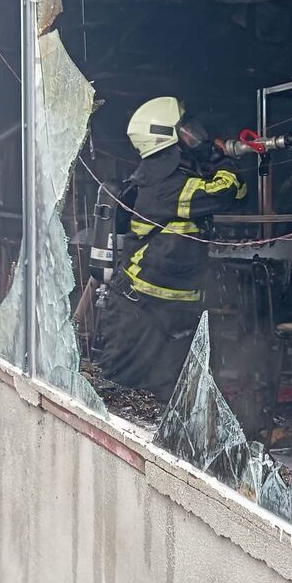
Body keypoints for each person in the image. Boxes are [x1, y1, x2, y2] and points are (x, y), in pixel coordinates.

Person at [95, 96, 247, 402]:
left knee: (169, 399)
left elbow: (240, 193)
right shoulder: (164, 185)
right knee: (118, 398)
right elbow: (227, 192)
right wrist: (223, 160)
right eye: (186, 131)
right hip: (141, 312)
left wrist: (209, 165)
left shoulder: (173, 181)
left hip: (170, 312)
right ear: (166, 138)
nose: (196, 136)